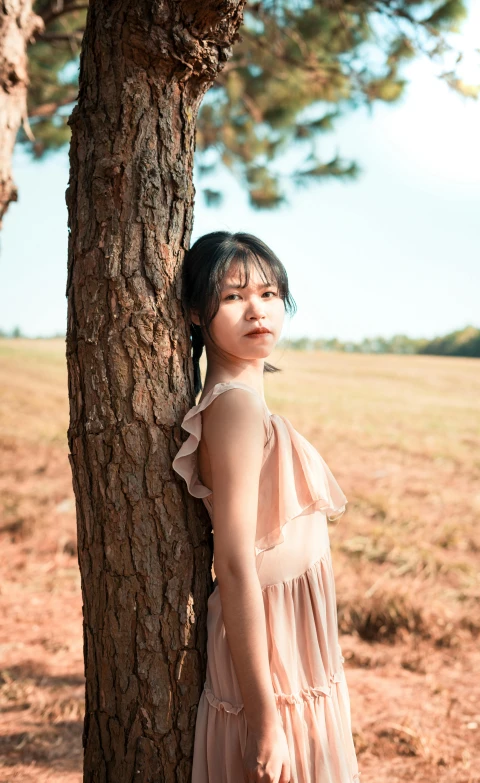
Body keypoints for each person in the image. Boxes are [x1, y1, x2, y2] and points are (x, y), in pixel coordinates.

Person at [173, 231, 361, 783]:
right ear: (194, 313)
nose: (256, 309)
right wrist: (264, 719)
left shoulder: (248, 400)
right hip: (269, 655)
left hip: (293, 640)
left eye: (269, 293)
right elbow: (233, 563)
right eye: (232, 297)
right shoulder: (233, 408)